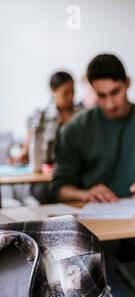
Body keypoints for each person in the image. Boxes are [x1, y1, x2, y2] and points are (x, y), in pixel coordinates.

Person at [50, 54, 135, 297]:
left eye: (116, 92)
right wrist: (85, 193)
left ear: (128, 83)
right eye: (101, 96)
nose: (110, 103)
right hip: (96, 230)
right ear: (92, 90)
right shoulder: (74, 131)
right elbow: (59, 187)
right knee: (98, 274)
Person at [9, 71, 82, 204]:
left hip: (72, 173)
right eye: (65, 93)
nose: (71, 97)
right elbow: (28, 150)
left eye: (73, 92)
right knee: (45, 191)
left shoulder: (82, 116)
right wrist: (23, 156)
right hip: (46, 178)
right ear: (53, 91)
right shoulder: (40, 118)